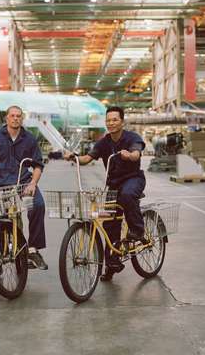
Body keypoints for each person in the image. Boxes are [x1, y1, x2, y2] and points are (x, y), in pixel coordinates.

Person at [64, 106, 146, 281]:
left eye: (115, 119)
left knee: (126, 196)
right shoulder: (103, 142)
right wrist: (74, 157)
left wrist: (129, 155)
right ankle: (112, 264)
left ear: (122, 122)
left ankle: (138, 230)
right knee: (109, 224)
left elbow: (137, 154)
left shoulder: (132, 137)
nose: (111, 123)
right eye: (108, 120)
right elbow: (87, 158)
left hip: (133, 179)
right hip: (114, 184)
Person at [0, 105, 48, 270]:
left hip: (23, 184)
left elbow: (38, 165)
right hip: (0, 185)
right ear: (7, 118)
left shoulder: (29, 138)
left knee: (37, 205)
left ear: (21, 118)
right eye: (12, 116)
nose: (16, 118)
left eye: (18, 116)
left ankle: (33, 249)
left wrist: (32, 184)